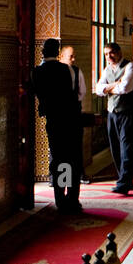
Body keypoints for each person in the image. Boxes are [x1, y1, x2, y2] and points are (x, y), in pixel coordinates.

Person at [31, 38, 82, 213]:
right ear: (58, 51)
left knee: (60, 159)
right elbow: (75, 94)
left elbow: (35, 92)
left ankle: (61, 199)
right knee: (72, 158)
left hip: (54, 121)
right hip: (71, 119)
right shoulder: (67, 69)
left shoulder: (37, 72)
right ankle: (72, 198)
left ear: (42, 51)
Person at [94, 41, 133, 195]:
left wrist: (109, 88)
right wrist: (114, 85)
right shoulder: (107, 69)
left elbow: (125, 88)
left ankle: (124, 182)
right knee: (115, 147)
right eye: (106, 54)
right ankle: (124, 179)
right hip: (112, 113)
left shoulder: (130, 67)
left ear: (119, 52)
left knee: (127, 147)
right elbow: (98, 89)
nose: (109, 56)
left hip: (128, 113)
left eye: (112, 53)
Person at [59, 43, 87, 187]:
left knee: (76, 147)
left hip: (74, 114)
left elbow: (82, 91)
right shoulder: (56, 72)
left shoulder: (76, 71)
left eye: (74, 56)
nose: (74, 59)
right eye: (71, 56)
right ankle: (60, 180)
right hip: (60, 117)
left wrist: (72, 103)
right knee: (60, 149)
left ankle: (77, 176)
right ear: (61, 56)